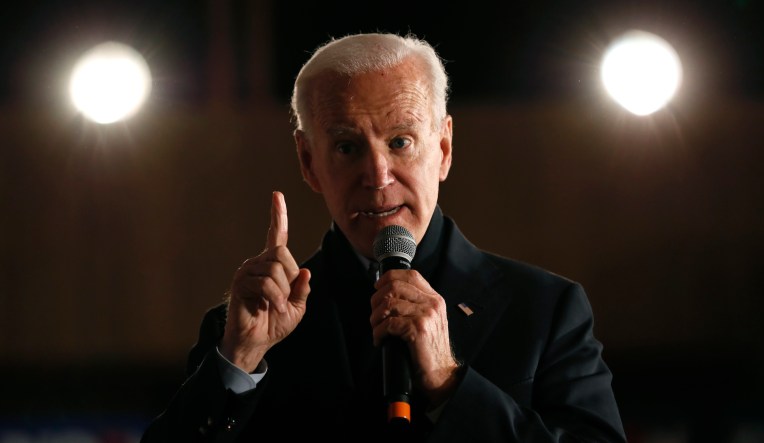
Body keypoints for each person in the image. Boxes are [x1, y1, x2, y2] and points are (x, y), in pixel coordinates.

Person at [141, 32, 626, 442]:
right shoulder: (240, 333)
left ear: (443, 148)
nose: (377, 175)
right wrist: (237, 364)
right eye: (347, 147)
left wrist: (449, 383)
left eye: (400, 141)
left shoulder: (546, 310)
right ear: (309, 163)